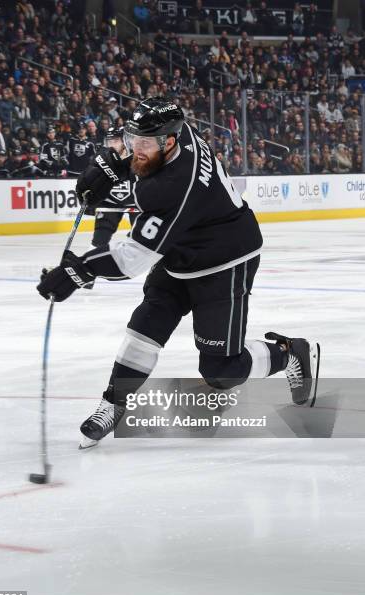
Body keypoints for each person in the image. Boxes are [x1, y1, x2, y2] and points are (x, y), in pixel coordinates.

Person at [37, 97, 320, 448]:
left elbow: (132, 259)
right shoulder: (175, 131)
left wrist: (78, 271)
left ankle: (290, 352)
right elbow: (144, 160)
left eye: (142, 145)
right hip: (180, 252)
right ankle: (114, 402)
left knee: (221, 372)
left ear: (168, 142)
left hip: (225, 262)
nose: (134, 149)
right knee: (146, 326)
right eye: (132, 140)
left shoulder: (176, 185)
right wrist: (116, 168)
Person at [89, 126, 136, 247]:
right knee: (99, 240)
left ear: (125, 141)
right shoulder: (100, 159)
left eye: (115, 141)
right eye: (109, 141)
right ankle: (92, 264)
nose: (112, 144)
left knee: (141, 239)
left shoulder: (138, 157)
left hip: (136, 204)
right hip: (109, 203)